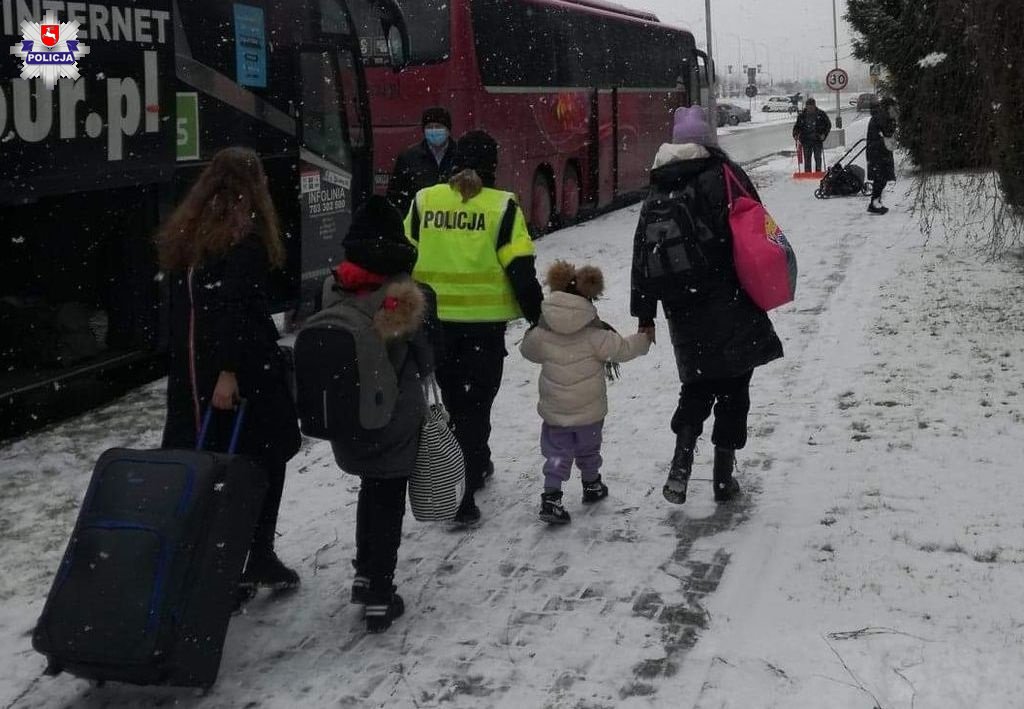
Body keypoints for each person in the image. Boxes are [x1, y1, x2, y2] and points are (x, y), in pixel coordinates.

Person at [157, 147, 302, 593]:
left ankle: (213, 558)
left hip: (193, 372)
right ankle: (249, 558)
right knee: (263, 459)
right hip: (242, 371)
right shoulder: (246, 237)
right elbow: (235, 309)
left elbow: (188, 308)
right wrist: (230, 371)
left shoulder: (188, 232)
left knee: (207, 466)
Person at [631, 107, 783, 505]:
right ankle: (722, 475)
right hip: (728, 294)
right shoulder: (725, 175)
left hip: (682, 306)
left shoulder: (659, 184)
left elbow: (641, 255)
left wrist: (645, 313)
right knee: (734, 385)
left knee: (697, 384)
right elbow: (756, 227)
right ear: (708, 140)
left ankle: (681, 466)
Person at [405, 130, 543, 527]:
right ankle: (462, 496)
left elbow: (402, 253)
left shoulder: (424, 200)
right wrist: (540, 317)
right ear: (493, 165)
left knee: (454, 400)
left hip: (433, 325)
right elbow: (520, 270)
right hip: (482, 330)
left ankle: (476, 464)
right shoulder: (503, 207)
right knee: (476, 405)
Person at [326, 196, 439, 633]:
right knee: (387, 496)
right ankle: (379, 592)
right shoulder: (408, 296)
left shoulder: (332, 286)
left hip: (348, 412)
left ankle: (363, 571)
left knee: (369, 491)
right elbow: (429, 359)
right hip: (394, 414)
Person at [520, 261, 651, 525]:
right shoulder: (595, 332)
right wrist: (644, 339)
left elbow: (527, 351)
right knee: (589, 449)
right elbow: (623, 350)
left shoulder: (543, 331)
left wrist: (534, 333)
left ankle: (552, 496)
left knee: (557, 452)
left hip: (556, 411)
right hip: (589, 411)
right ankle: (591, 484)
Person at [386, 106, 459, 215]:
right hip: (418, 221)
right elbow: (395, 196)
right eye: (430, 127)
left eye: (438, 126)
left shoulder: (460, 155)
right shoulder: (408, 157)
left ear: (448, 129)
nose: (434, 130)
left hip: (452, 220)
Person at [866, 97, 897, 215]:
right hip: (879, 152)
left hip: (878, 151)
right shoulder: (881, 117)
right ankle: (874, 202)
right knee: (880, 178)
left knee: (881, 178)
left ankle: (876, 201)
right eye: (892, 108)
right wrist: (894, 121)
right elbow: (888, 132)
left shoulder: (880, 116)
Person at [792, 98, 832, 173]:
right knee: (807, 158)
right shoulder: (802, 116)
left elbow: (828, 125)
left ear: (814, 106)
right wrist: (795, 134)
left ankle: (818, 172)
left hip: (817, 140)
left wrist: (824, 134)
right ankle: (807, 173)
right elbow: (797, 127)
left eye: (811, 107)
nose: (810, 108)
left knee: (818, 158)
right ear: (806, 106)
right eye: (808, 107)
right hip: (806, 140)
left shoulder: (821, 114)